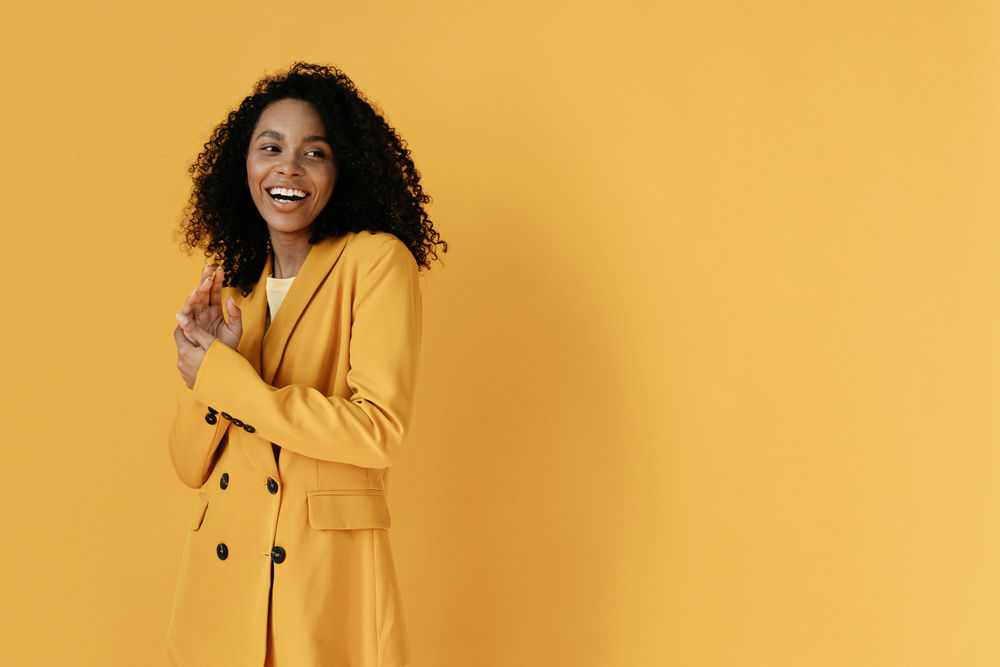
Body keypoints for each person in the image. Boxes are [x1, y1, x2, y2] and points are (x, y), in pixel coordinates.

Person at [166, 62, 445, 667]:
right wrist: (211, 362)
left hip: (321, 587)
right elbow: (190, 467)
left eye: (313, 153)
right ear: (243, 166)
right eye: (270, 148)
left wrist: (223, 378)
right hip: (224, 589)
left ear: (343, 170)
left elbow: (377, 431)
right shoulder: (240, 294)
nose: (288, 168)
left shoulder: (376, 262)